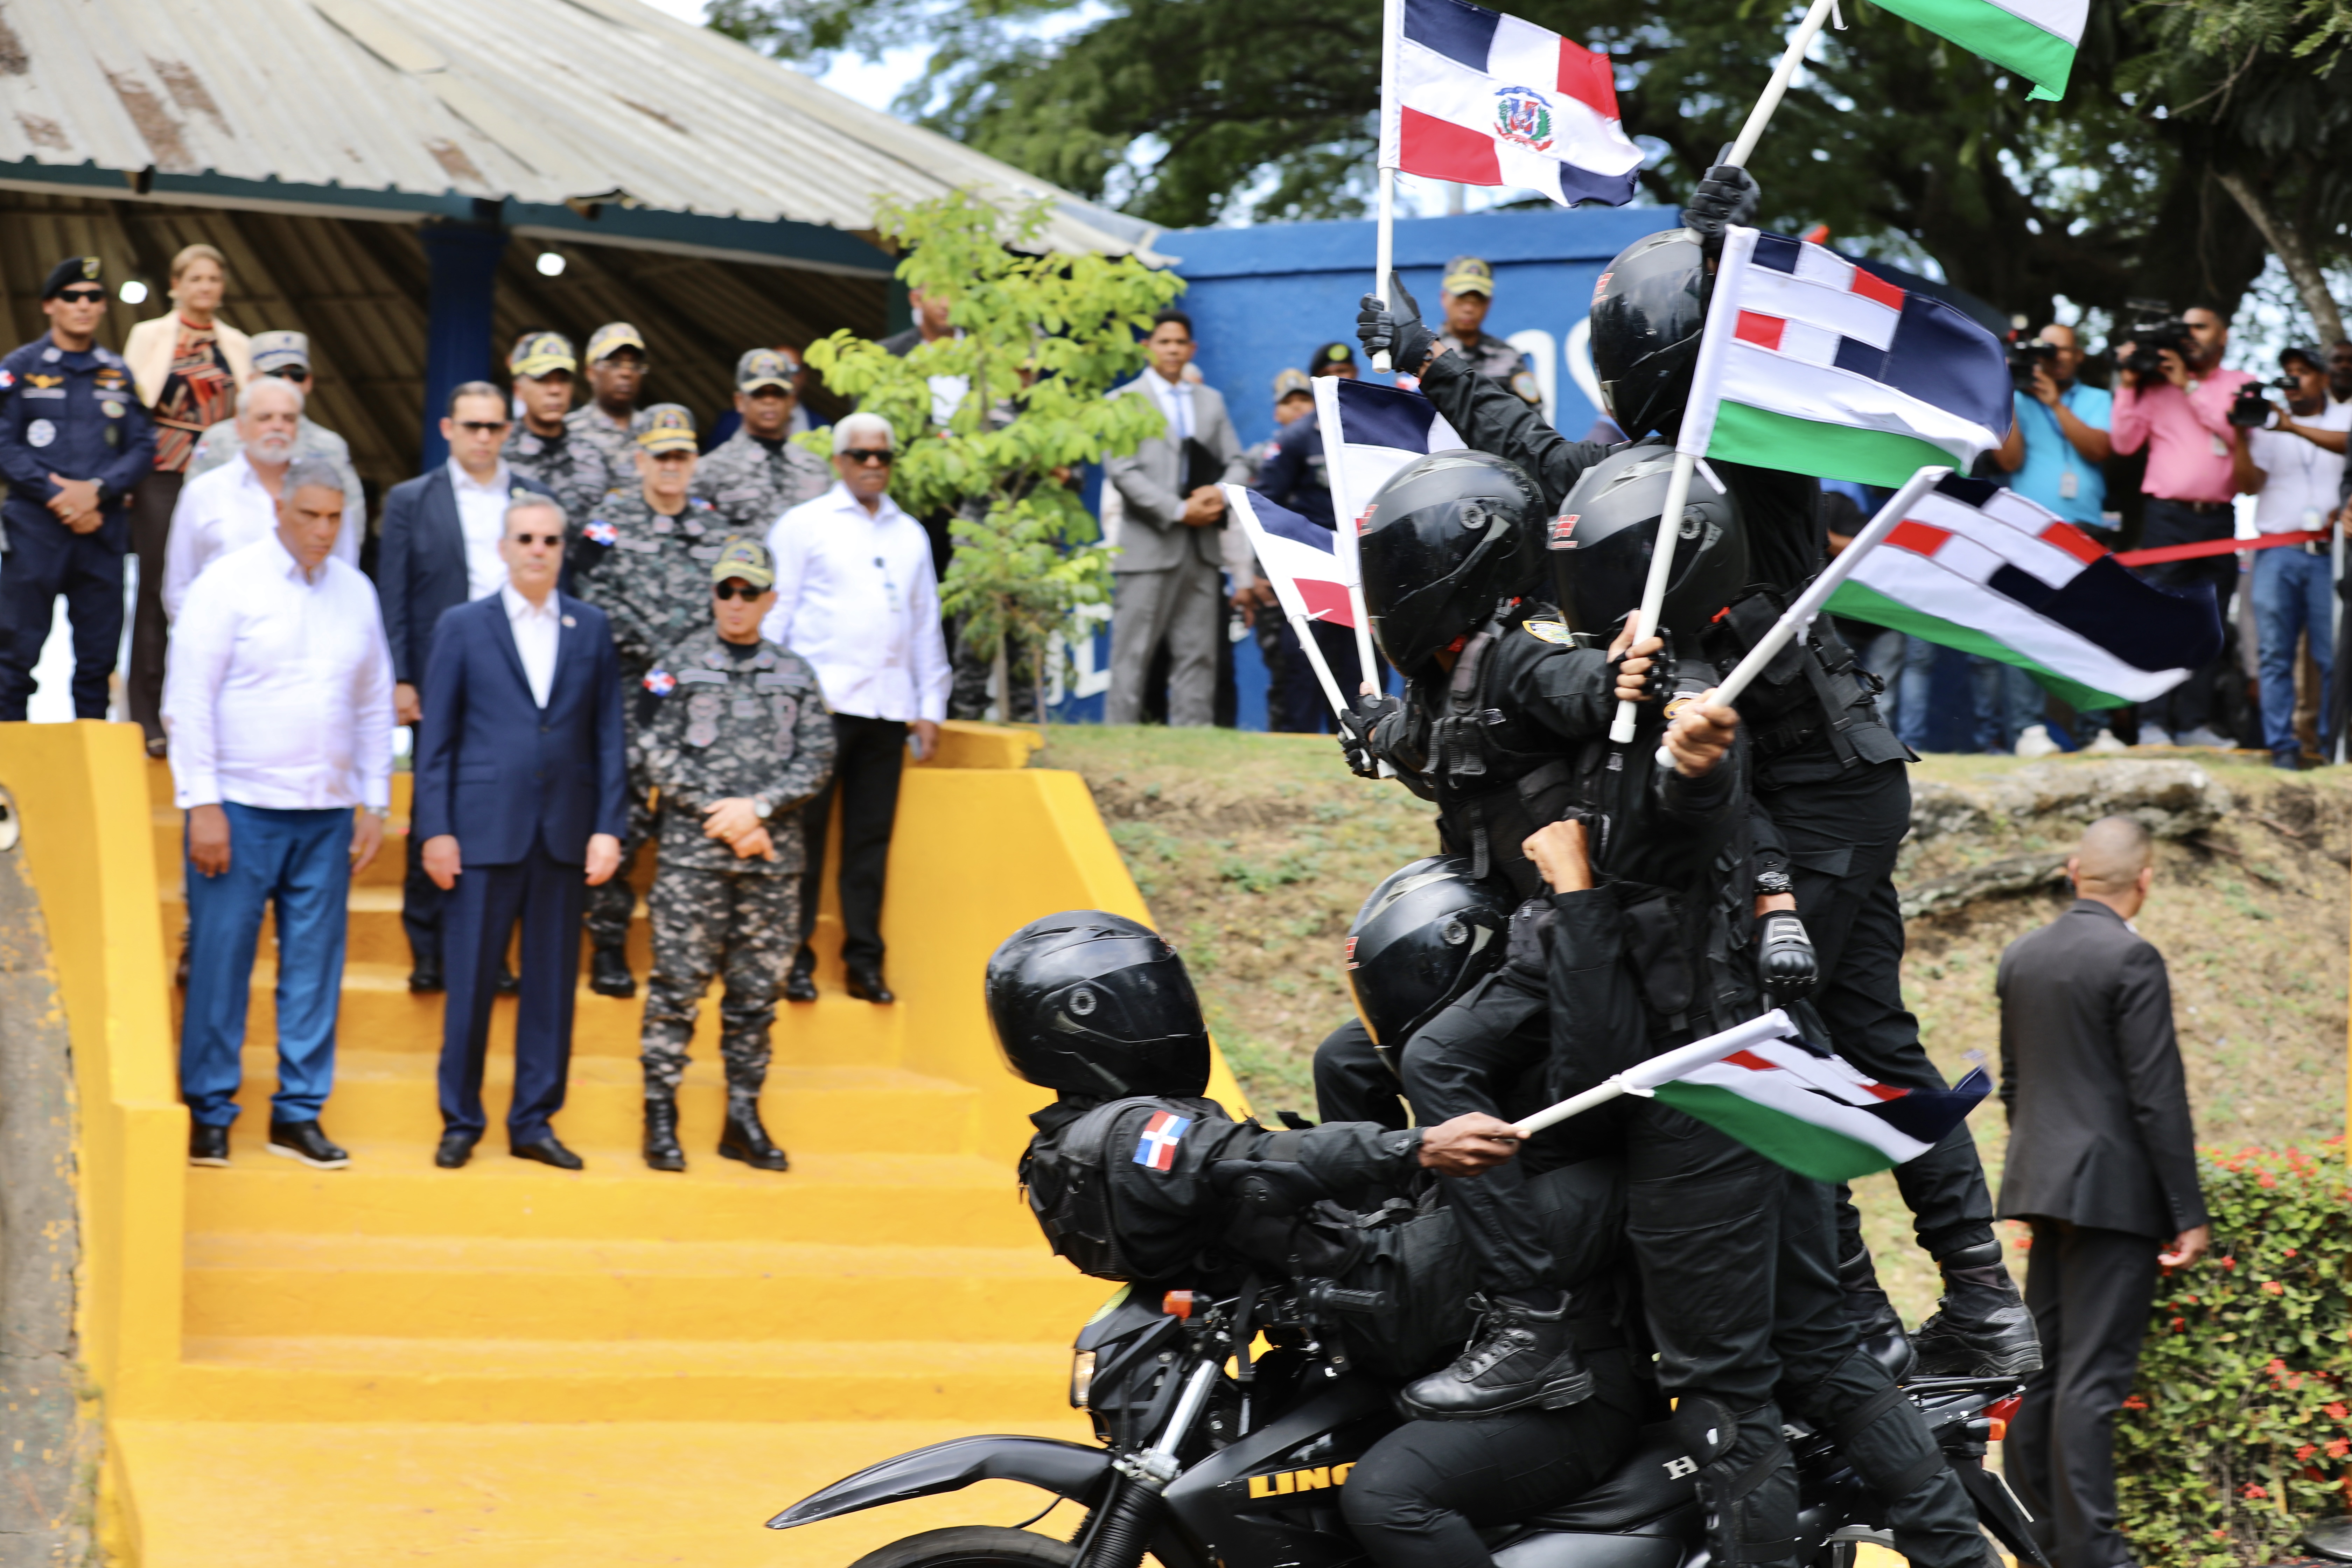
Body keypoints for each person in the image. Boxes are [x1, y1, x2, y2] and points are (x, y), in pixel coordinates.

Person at [1356, 196, 2036, 1382]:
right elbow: (1540, 458)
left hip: (1810, 782)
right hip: (1809, 777)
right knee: (1858, 1034)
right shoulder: (1639, 478)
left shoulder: (1753, 455)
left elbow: (1705, 375)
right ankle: (1971, 1302)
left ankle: (1869, 1319)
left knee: (1775, 1038)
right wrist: (1430, 360)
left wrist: (1732, 259)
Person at [164, 456, 392, 1171]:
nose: (323, 530)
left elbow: (374, 702)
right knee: (221, 961)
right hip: (239, 808)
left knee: (314, 970)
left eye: (334, 518)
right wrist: (202, 802)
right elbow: (188, 698)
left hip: (326, 813)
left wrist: (376, 799)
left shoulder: (357, 591)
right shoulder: (226, 583)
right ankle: (209, 1110)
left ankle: (298, 1113)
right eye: (310, 515)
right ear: (279, 512)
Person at [1995, 816, 2209, 1568]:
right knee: (2092, 1380)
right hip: (2115, 1197)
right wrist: (2187, 1211)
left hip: (2042, 1183)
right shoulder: (2131, 956)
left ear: (2073, 868)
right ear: (2144, 880)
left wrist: (2050, 1164)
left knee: (2045, 1371)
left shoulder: (2022, 954)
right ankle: (2096, 1555)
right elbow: (2157, 1096)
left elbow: (2014, 1084)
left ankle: (2043, 1542)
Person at [414, 495, 627, 1172]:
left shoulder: (590, 627)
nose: (539, 550)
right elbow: (436, 740)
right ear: (503, 549)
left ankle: (534, 1121)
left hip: (564, 834)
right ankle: (461, 1121)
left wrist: (608, 828)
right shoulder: (462, 625)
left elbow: (608, 737)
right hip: (481, 834)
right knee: (471, 985)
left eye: (551, 540)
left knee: (552, 989)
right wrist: (436, 830)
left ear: (564, 551)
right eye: (526, 539)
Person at [636, 538, 838, 1172]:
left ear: (770, 600)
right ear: (714, 594)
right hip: (692, 864)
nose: (736, 602)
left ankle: (742, 1118)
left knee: (756, 997)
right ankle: (660, 1115)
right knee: (676, 989)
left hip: (770, 865)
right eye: (726, 589)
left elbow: (819, 757)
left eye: (749, 592)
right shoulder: (676, 666)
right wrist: (725, 817)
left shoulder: (796, 673)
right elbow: (650, 745)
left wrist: (761, 809)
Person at [763, 412, 949, 1004]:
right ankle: (794, 960)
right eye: (861, 455)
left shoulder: (910, 534)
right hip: (818, 708)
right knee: (806, 838)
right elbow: (777, 613)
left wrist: (930, 705)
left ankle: (864, 963)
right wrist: (767, 696)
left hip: (886, 709)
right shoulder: (805, 524)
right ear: (839, 461)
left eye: (883, 456)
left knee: (870, 843)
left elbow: (924, 623)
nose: (873, 465)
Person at [377, 383, 556, 993]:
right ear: (448, 429)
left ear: (508, 431)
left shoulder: (534, 500)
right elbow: (395, 592)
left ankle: (493, 953)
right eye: (473, 425)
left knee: (508, 809)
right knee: (434, 805)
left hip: (519, 673)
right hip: (439, 672)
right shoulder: (410, 499)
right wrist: (402, 678)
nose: (483, 437)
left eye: (494, 427)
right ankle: (428, 949)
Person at [566, 404, 725, 999]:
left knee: (695, 814)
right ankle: (608, 943)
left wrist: (689, 661)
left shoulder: (716, 530)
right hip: (630, 691)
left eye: (681, 455)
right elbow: (587, 594)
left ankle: (693, 948)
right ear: (639, 461)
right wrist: (659, 651)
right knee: (625, 814)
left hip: (698, 698)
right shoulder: (607, 524)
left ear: (695, 462)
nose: (671, 466)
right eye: (661, 456)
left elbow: (731, 602)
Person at [0, 257, 156, 722]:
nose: (84, 305)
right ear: (50, 305)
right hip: (34, 530)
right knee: (14, 656)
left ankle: (91, 763)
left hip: (102, 530)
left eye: (93, 297)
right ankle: (9, 762)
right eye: (72, 296)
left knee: (98, 661)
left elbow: (143, 446)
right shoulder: (18, 368)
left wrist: (98, 490)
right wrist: (56, 494)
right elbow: (3, 441)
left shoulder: (118, 373)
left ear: (104, 306)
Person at [124, 243, 252, 755]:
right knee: (158, 586)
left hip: (219, 474)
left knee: (222, 584)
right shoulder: (150, 335)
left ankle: (212, 709)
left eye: (213, 279)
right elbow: (129, 409)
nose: (205, 287)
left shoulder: (238, 343)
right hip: (162, 472)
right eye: (195, 278)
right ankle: (147, 716)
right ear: (176, 285)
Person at [2110, 307, 2256, 748]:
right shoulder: (2154, 384)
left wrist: (2188, 387)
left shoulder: (2241, 383)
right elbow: (2124, 443)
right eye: (2186, 327)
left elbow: (2236, 436)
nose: (2191, 335)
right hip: (2167, 519)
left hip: (2220, 518)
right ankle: (2153, 724)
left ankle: (2195, 725)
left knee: (2208, 623)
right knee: (2160, 618)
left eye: (2201, 327)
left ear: (2223, 336)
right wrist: (2128, 384)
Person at [1104, 309, 1252, 726]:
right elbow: (1122, 472)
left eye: (1179, 342)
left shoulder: (1211, 401)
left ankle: (1195, 739)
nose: (1172, 349)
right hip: (1147, 546)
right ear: (1147, 347)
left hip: (1202, 548)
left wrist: (1219, 492)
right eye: (1164, 342)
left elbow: (1238, 461)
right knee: (1132, 654)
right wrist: (1178, 510)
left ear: (1192, 349)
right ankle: (1118, 739)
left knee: (1199, 654)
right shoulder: (1123, 402)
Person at [1993, 324, 2118, 753]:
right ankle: (2029, 730)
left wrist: (2055, 404)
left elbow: (2099, 450)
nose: (2055, 358)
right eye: (2048, 351)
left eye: (2063, 350)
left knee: (2092, 629)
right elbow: (2009, 460)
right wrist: (2007, 390)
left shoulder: (2097, 399)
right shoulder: (2018, 398)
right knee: (2025, 627)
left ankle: (2096, 730)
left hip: (2087, 529)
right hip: (2029, 526)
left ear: (2078, 355)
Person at [2234, 346, 2350, 769]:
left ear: (2324, 379)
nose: (2294, 380)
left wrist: (2291, 428)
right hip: (2276, 551)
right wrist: (2239, 435)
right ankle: (2282, 748)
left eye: (2304, 371)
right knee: (2274, 655)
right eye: (2288, 372)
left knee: (2333, 654)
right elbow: (2248, 486)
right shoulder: (2266, 428)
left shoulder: (2344, 417)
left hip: (2329, 555)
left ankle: (2332, 747)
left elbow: (2349, 446)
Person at [163, 378, 360, 621]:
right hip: (224, 637)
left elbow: (345, 571)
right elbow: (179, 587)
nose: (277, 427)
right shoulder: (205, 491)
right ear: (240, 427)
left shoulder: (324, 492)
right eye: (265, 418)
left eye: (288, 419)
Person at [1256, 344, 1377, 733]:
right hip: (1316, 565)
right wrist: (1267, 570)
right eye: (1332, 372)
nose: (1342, 378)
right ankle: (1300, 744)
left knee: (1363, 664)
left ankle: (1368, 739)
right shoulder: (1296, 438)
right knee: (1306, 662)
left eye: (1348, 370)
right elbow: (1266, 504)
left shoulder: (1373, 429)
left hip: (1367, 566)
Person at [186, 330, 364, 511]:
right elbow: (196, 503)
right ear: (252, 380)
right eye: (275, 374)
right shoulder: (219, 439)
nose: (287, 382)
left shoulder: (330, 445)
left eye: (297, 374)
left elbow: (352, 509)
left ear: (309, 382)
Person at [691, 349, 832, 534]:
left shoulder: (815, 468)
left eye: (778, 393)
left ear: (791, 401)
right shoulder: (710, 470)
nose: (769, 401)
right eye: (759, 393)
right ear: (740, 401)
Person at [501, 331, 612, 527]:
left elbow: (609, 521)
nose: (555, 390)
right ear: (518, 390)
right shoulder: (500, 454)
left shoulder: (592, 455)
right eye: (543, 380)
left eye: (563, 380)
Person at [1433, 257, 1541, 407]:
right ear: (1444, 298)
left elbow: (1532, 415)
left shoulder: (1508, 357)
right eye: (1461, 298)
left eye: (1477, 300)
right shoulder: (1426, 356)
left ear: (1489, 303)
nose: (1469, 309)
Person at [565, 322, 651, 476]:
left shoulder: (653, 431)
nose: (626, 373)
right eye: (616, 364)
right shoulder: (568, 431)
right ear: (591, 373)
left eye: (634, 365)